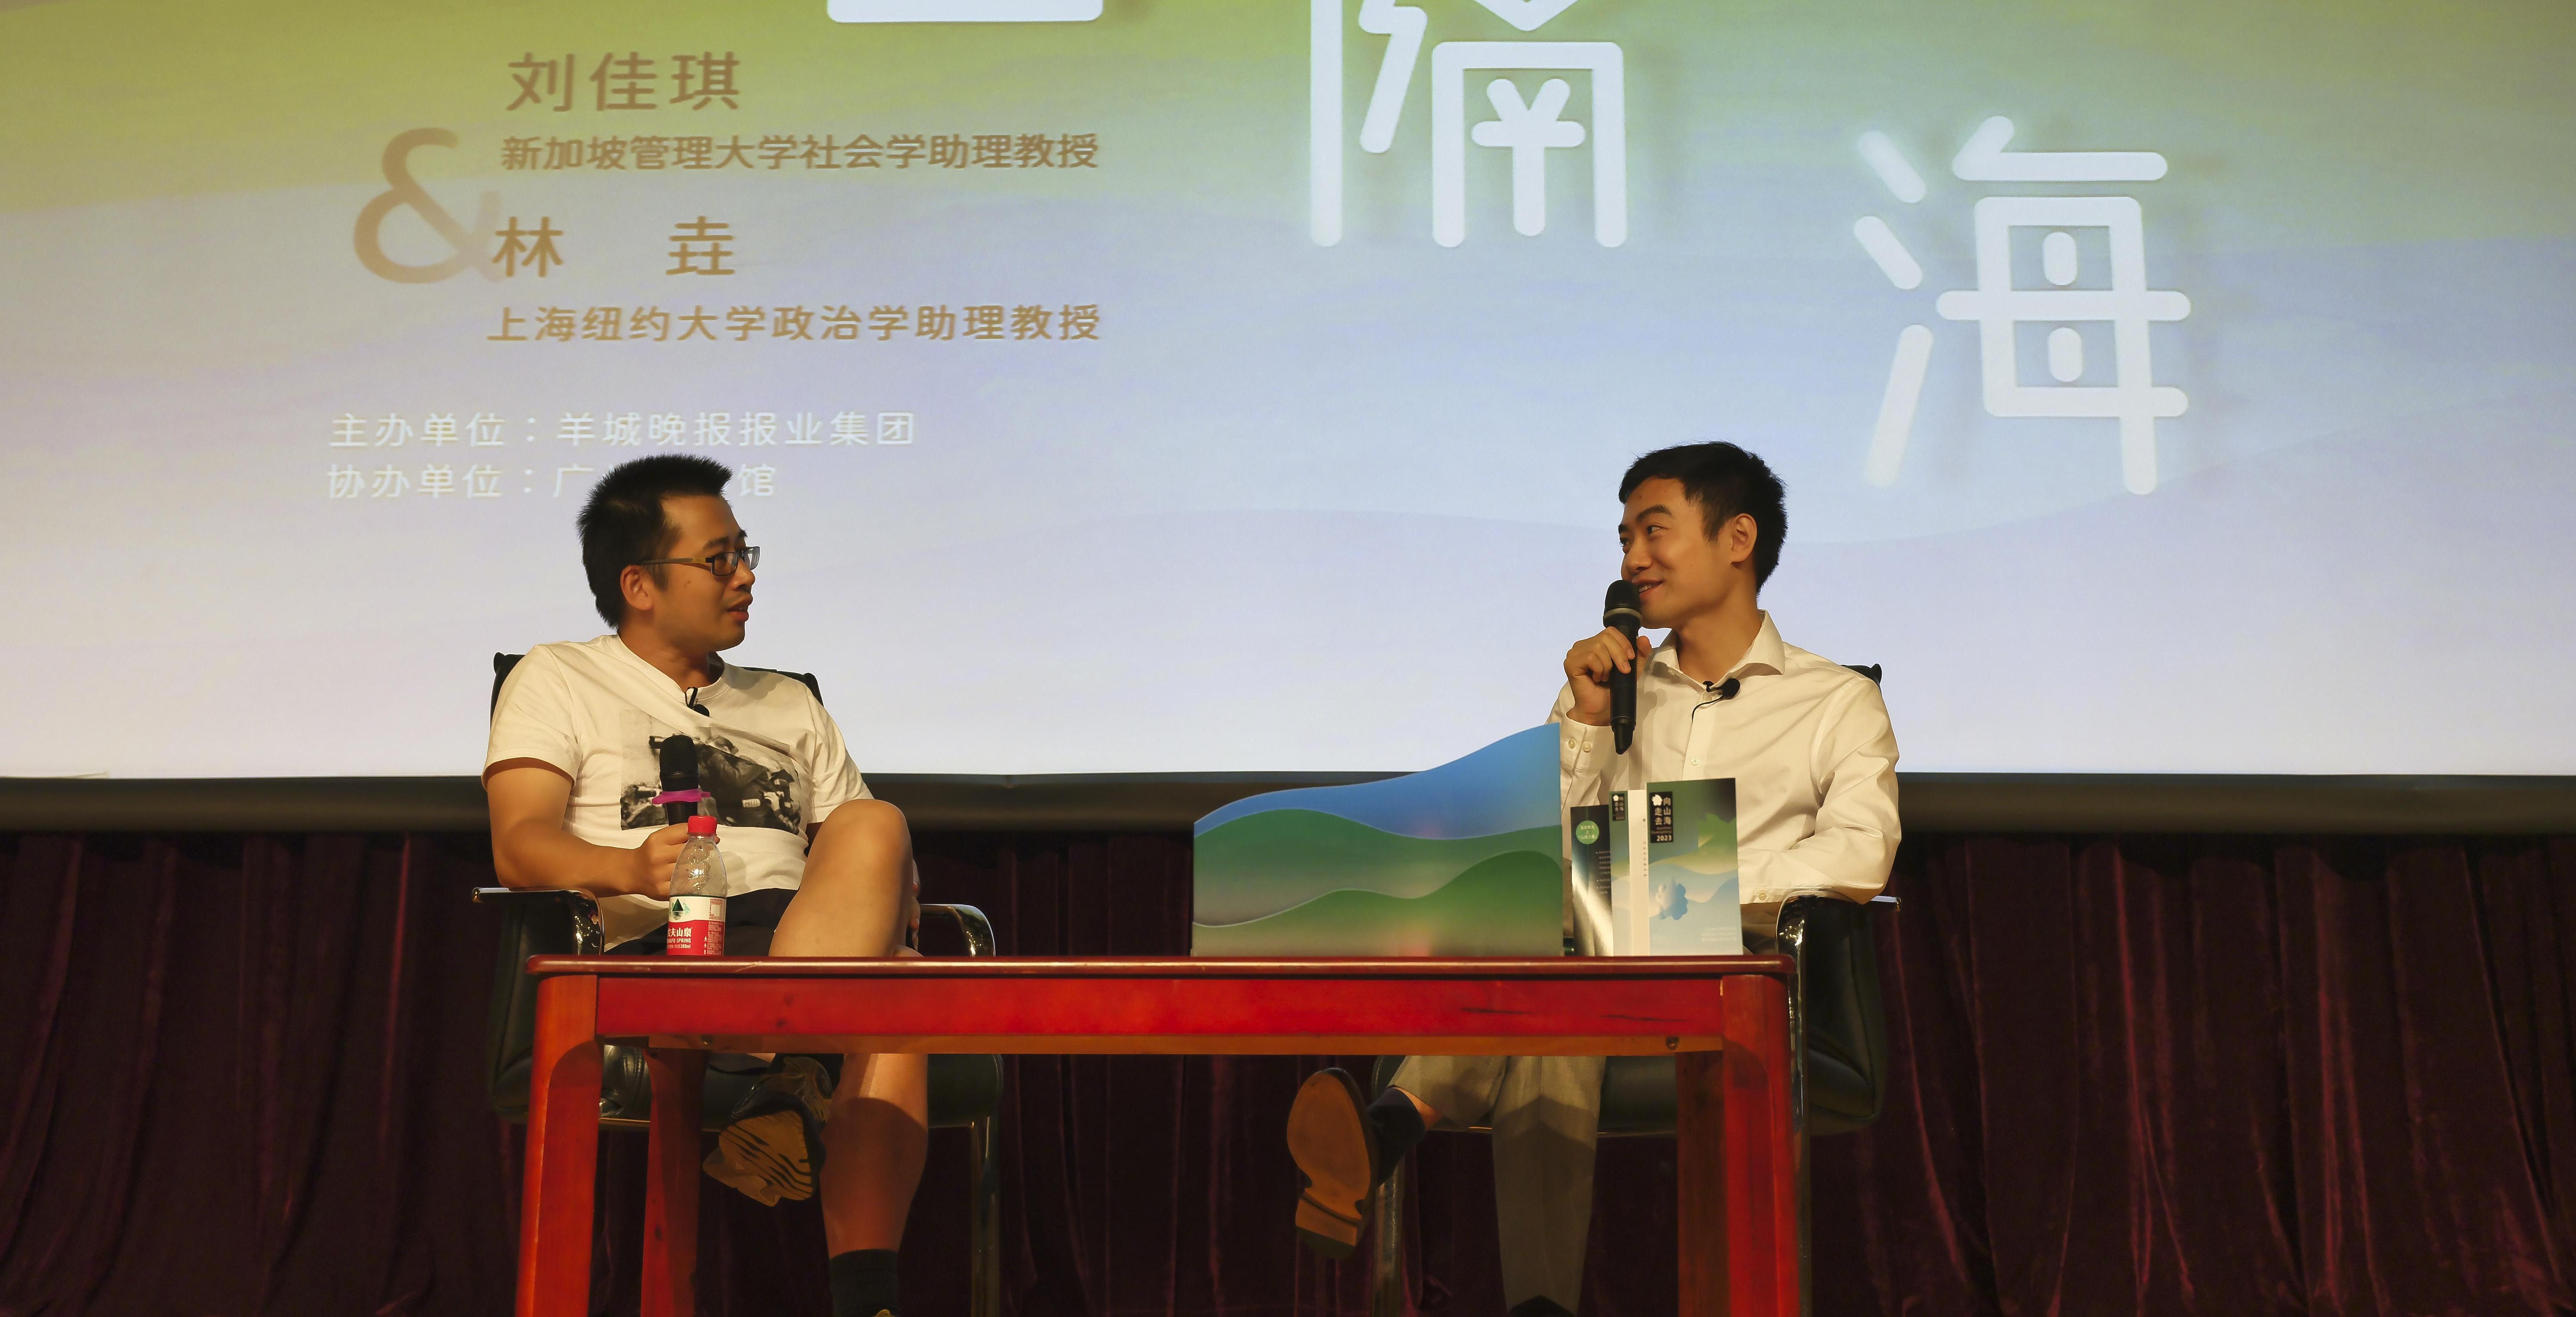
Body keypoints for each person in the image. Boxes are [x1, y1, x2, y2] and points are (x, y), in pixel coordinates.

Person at [1283, 442, 1901, 1317]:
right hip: (1597, 973)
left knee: (1555, 978)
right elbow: (1531, 849)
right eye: (1623, 539)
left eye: (1654, 531)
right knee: (1556, 1005)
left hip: (1736, 980)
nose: (1632, 560)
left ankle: (1392, 1124)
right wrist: (1582, 721)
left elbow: (1858, 854)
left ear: (1737, 539)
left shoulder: (1834, 700)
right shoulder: (1607, 689)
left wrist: (1688, 878)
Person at [484, 455, 926, 1317]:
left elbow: (874, 860)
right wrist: (627, 868)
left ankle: (795, 1079)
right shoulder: (560, 675)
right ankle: (853, 1259)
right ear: (639, 585)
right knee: (896, 994)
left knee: (874, 825)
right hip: (669, 952)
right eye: (718, 560)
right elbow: (520, 844)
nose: (745, 577)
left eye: (744, 554)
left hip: (800, 942)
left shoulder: (790, 703)